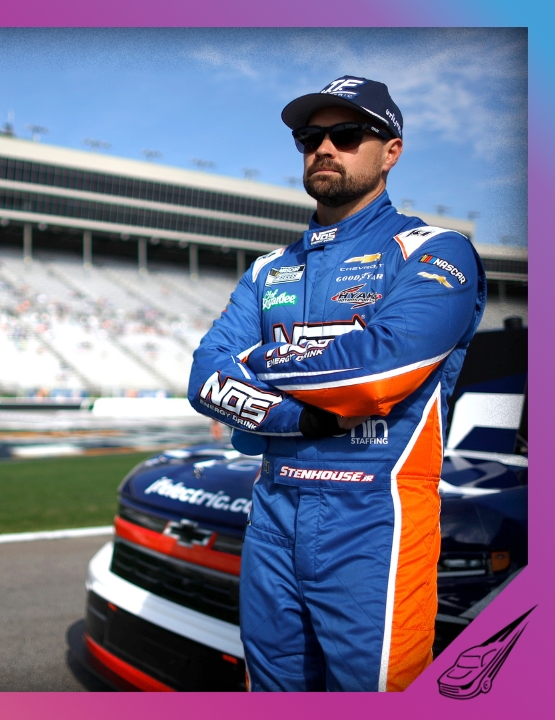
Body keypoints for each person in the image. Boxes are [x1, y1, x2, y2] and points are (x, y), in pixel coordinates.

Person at [188, 76, 486, 692]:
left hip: (376, 517)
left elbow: (377, 372)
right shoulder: (271, 268)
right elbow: (203, 378)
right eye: (310, 137)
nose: (324, 148)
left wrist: (263, 358)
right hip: (272, 512)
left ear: (391, 150)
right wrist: (302, 417)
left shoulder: (435, 251)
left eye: (347, 135)